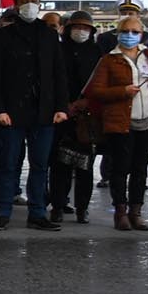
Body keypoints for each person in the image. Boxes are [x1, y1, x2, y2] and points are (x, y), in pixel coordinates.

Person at [0, 0, 70, 231]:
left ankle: (38, 213)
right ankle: (3, 212)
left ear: (40, 3)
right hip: (11, 111)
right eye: (24, 0)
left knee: (40, 165)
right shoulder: (3, 36)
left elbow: (59, 73)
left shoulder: (49, 34)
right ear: (16, 4)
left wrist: (61, 106)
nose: (30, 4)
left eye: (34, 0)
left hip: (44, 111)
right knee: (8, 164)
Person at [85, 13, 148, 231]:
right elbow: (96, 91)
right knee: (120, 168)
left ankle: (136, 211)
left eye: (135, 32)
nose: (130, 35)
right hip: (120, 122)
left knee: (140, 169)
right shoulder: (109, 60)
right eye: (125, 31)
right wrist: (122, 91)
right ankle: (120, 211)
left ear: (142, 34)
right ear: (118, 33)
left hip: (147, 121)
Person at [49, 12, 103, 225]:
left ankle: (82, 208)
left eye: (85, 28)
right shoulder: (58, 50)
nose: (81, 31)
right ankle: (57, 205)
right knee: (59, 164)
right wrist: (64, 105)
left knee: (85, 166)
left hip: (87, 117)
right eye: (77, 27)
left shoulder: (97, 52)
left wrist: (86, 102)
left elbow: (101, 83)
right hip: (61, 114)